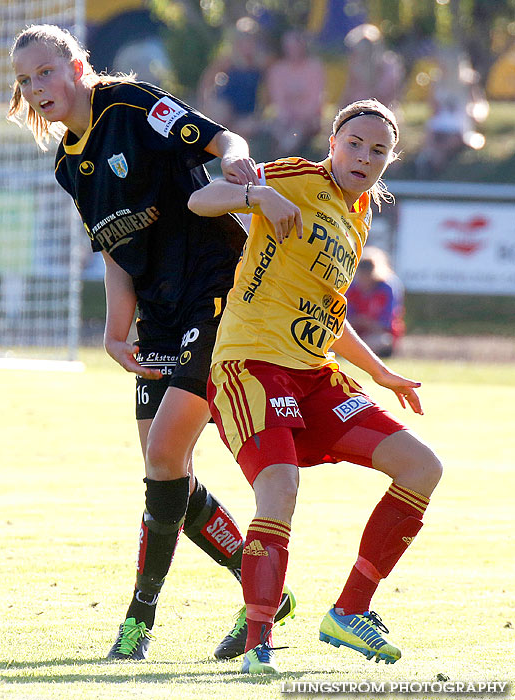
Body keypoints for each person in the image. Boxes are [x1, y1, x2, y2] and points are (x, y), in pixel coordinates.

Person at [8, 24, 296, 662]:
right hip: (159, 317)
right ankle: (264, 590)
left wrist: (236, 162)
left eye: (45, 73)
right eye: (25, 82)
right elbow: (117, 249)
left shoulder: (134, 106)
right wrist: (115, 332)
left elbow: (225, 137)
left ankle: (138, 622)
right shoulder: (67, 165)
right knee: (167, 473)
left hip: (214, 293)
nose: (36, 89)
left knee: (164, 457)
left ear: (78, 67)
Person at [188, 99, 443, 674]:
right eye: (354, 142)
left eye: (378, 150)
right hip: (250, 364)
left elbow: (331, 308)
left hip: (315, 374)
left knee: (421, 467)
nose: (364, 156)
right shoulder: (297, 177)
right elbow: (201, 199)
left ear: (389, 161)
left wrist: (379, 371)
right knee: (279, 488)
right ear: (333, 142)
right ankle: (259, 644)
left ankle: (350, 612)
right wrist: (257, 195)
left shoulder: (359, 216)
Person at [415, 46, 489, 177]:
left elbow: (479, 105)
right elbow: (432, 107)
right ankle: (433, 167)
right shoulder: (437, 82)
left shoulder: (468, 83)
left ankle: (436, 167)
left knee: (451, 140)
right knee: (432, 136)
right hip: (440, 122)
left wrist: (475, 114)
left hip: (458, 123)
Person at [197, 17, 272, 142]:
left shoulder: (261, 64)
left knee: (246, 129)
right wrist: (205, 102)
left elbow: (268, 90)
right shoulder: (229, 61)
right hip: (226, 104)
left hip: (246, 110)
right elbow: (207, 79)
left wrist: (261, 112)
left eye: (250, 40)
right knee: (220, 117)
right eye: (243, 41)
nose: (247, 44)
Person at [264, 29, 326, 155]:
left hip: (308, 120)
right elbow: (278, 99)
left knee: (296, 132)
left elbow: (315, 99)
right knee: (277, 129)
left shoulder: (314, 67)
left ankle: (282, 157)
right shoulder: (277, 70)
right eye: (289, 47)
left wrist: (301, 117)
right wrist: (287, 116)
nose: (293, 50)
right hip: (285, 119)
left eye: (296, 46)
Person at [345, 246, 405, 358]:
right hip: (353, 335)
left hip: (377, 336)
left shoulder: (387, 288)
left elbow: (386, 324)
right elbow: (344, 320)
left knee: (382, 341)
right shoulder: (352, 288)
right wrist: (358, 321)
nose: (365, 277)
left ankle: (354, 355)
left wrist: (366, 323)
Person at [339, 24, 404, 112]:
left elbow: (387, 96)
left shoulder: (389, 67)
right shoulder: (356, 66)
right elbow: (347, 96)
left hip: (382, 113)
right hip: (356, 113)